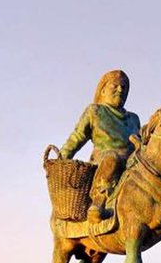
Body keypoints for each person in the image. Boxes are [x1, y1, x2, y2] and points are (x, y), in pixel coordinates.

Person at [60, 69, 141, 223]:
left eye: (124, 87)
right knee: (113, 158)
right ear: (103, 90)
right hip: (105, 162)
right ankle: (98, 203)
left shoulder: (133, 119)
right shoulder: (95, 111)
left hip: (131, 163)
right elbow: (77, 137)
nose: (120, 90)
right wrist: (62, 157)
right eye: (115, 86)